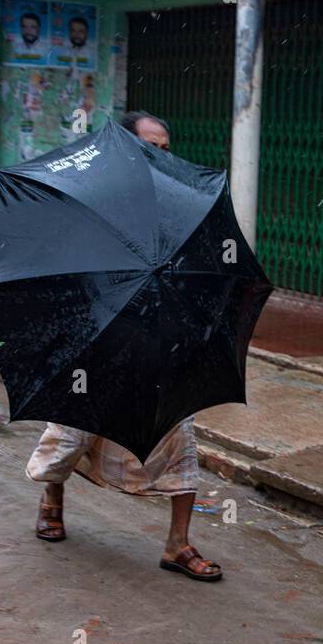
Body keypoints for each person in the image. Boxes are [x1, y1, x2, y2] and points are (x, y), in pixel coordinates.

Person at [26, 111, 219, 582]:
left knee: (179, 438)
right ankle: (52, 498)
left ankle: (177, 544)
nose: (160, 155)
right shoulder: (92, 201)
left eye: (166, 147)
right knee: (72, 433)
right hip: (94, 339)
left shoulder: (183, 204)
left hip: (158, 338)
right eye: (150, 145)